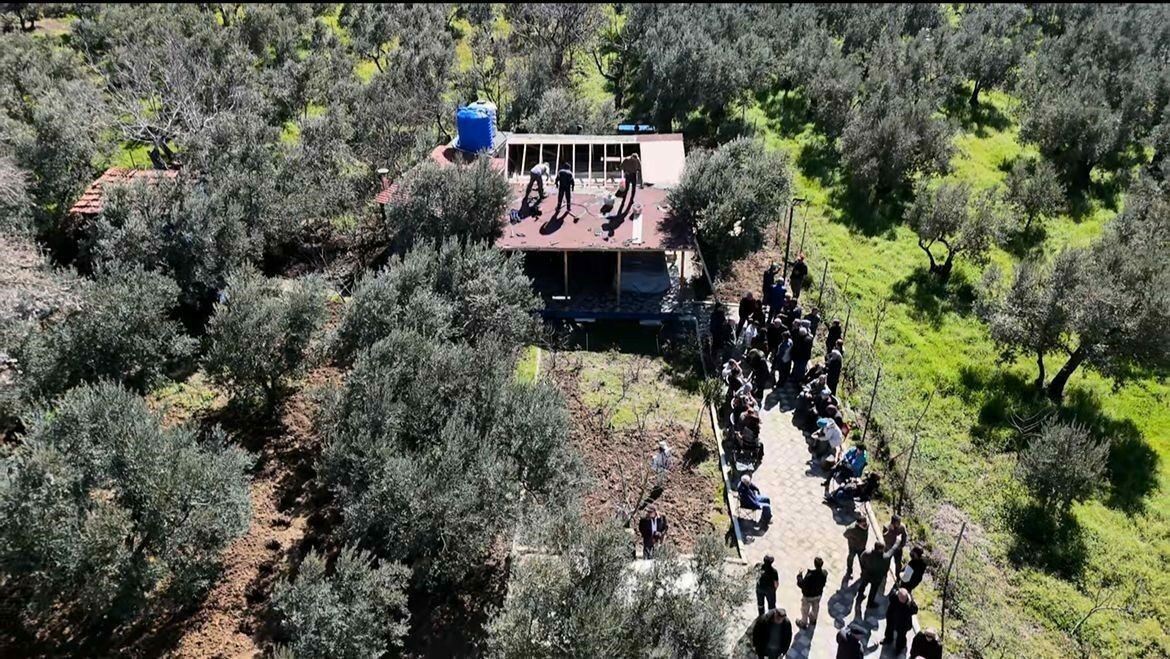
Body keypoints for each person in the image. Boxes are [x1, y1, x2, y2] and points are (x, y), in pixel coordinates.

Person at [856, 540, 897, 609]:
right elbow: (892, 550)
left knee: (863, 585)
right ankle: (870, 604)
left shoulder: (867, 553)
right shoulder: (885, 558)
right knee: (873, 590)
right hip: (877, 578)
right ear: (880, 550)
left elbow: (861, 558)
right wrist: (897, 542)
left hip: (867, 574)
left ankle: (859, 596)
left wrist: (864, 568)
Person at [882, 588, 919, 652]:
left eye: (904, 598)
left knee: (901, 636)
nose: (902, 600)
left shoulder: (910, 603)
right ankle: (888, 639)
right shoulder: (894, 597)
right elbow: (890, 598)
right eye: (901, 598)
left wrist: (911, 603)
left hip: (903, 623)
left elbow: (915, 611)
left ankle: (899, 648)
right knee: (889, 629)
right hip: (892, 618)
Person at [796, 556, 828, 629]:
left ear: (814, 564)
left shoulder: (810, 576)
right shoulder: (824, 573)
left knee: (805, 610)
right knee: (815, 607)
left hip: (808, 596)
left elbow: (802, 585)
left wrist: (799, 575)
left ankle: (803, 623)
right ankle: (813, 620)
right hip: (818, 595)